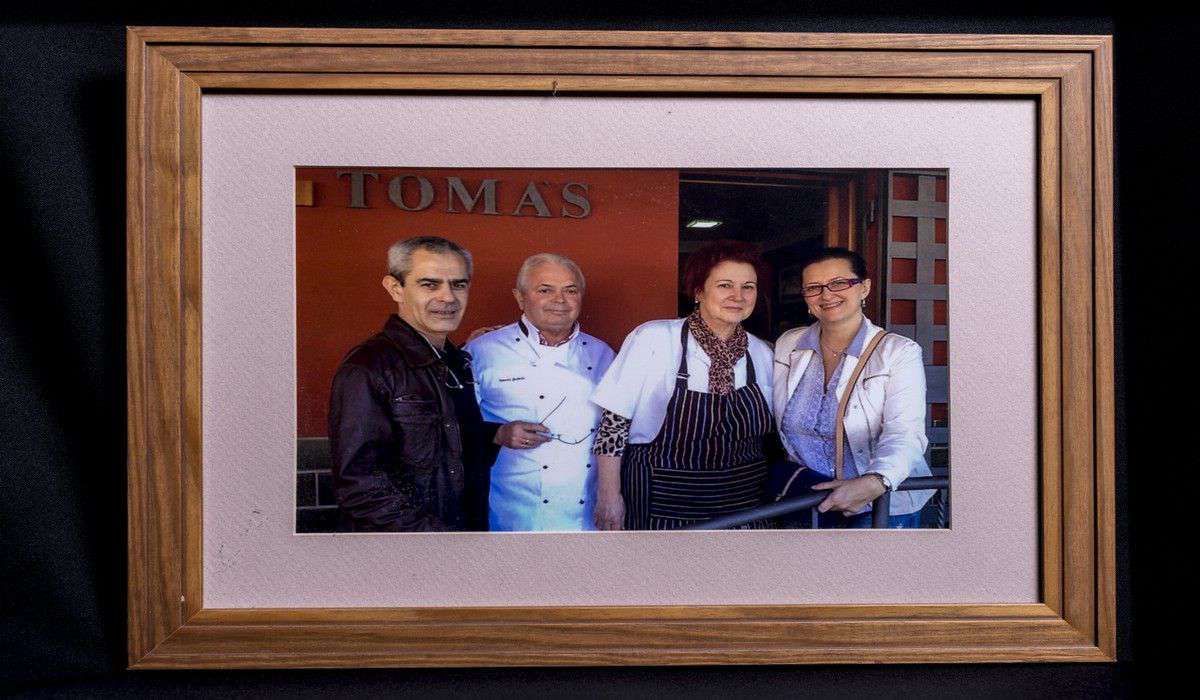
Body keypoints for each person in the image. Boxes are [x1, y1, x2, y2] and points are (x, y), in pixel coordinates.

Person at [590, 240, 775, 530]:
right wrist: (608, 496)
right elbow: (613, 424)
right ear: (699, 291)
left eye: (748, 287)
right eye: (725, 285)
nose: (737, 296)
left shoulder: (762, 353)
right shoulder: (653, 338)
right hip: (663, 498)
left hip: (742, 502)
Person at [327, 236, 497, 532]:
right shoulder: (369, 367)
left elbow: (447, 446)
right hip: (406, 553)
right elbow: (359, 485)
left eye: (458, 284)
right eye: (429, 284)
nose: (448, 297)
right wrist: (435, 540)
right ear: (396, 288)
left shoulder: (457, 361)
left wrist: (499, 434)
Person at [772, 247, 934, 528]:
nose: (826, 295)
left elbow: (905, 431)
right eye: (814, 287)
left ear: (864, 288)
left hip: (877, 505)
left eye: (839, 283)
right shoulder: (790, 344)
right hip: (809, 502)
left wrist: (875, 481)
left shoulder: (898, 352)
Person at [466, 254, 615, 531]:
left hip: (583, 515)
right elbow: (456, 428)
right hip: (510, 514)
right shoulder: (482, 351)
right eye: (545, 290)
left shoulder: (603, 354)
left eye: (570, 290)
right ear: (520, 298)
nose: (560, 300)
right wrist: (499, 432)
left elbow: (616, 432)